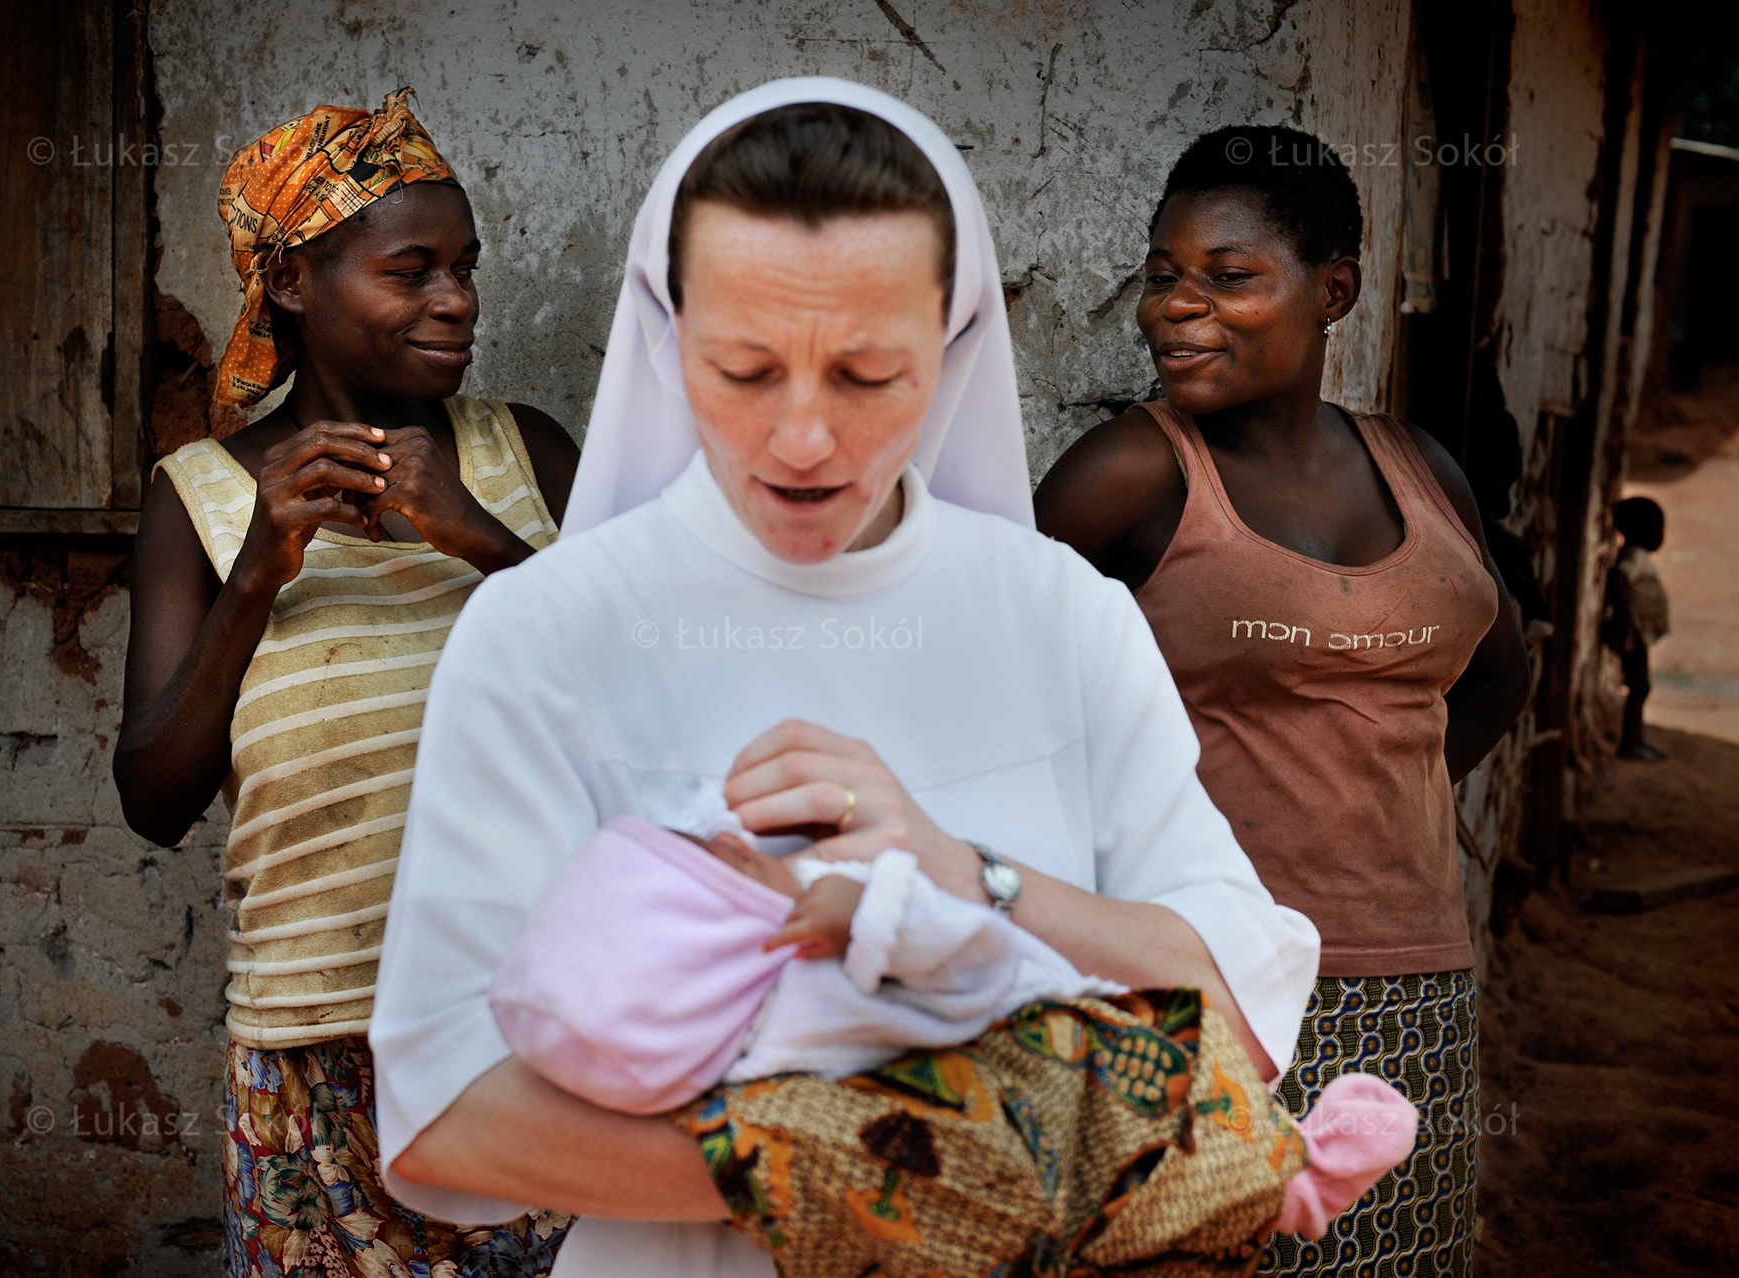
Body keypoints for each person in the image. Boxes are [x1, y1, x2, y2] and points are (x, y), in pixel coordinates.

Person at [369, 80, 1320, 1278]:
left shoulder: (1065, 618)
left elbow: (1234, 1012)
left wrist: (969, 873)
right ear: (670, 342)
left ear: (956, 346)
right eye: (745, 368)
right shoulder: (544, 633)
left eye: (869, 374)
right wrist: (932, 1171)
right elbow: (447, 1105)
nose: (804, 438)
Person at [1033, 125, 1531, 1278]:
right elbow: (994, 698)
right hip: (1208, 985)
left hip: (1415, 986)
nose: (1176, 308)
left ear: (1335, 291)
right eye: (1164, 275)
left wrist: (1374, 800)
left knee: (1396, 1257)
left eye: (1229, 276)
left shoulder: (1419, 466)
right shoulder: (1130, 476)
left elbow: (1502, 668)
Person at [113, 89, 579, 1278]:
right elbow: (156, 797)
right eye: (410, 269)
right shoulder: (201, 498)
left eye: (464, 267)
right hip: (312, 1056)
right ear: (289, 284)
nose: (456, 300)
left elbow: (652, 709)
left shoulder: (525, 453)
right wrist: (261, 570)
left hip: (536, 1040)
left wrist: (475, 535)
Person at [483, 805, 1418, 1268]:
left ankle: (1287, 1180)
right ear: (724, 928)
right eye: (718, 865)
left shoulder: (739, 1073)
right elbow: (974, 957)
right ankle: (1304, 1170)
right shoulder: (817, 978)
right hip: (1085, 1060)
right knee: (1202, 1126)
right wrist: (876, 911)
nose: (735, 846)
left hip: (1016, 1195)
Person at [1604, 496, 1670, 760]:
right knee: (1639, 687)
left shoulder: (1635, 553)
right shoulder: (1635, 555)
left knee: (1640, 687)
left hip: (1635, 631)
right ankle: (1631, 744)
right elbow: (1618, 577)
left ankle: (1637, 741)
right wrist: (1627, 618)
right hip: (1632, 633)